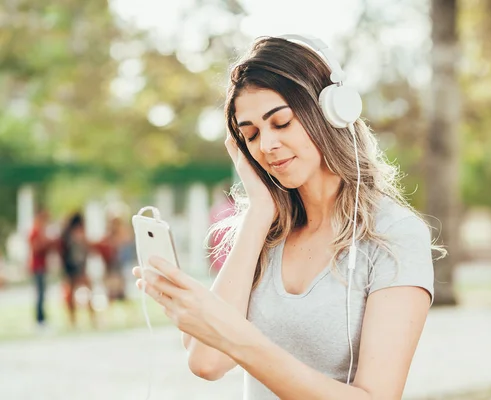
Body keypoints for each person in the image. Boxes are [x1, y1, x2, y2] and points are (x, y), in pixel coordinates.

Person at [133, 35, 442, 399]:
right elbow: (207, 362)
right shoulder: (265, 234)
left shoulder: (393, 235)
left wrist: (239, 338)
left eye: (280, 123)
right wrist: (259, 212)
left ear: (330, 113)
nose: (266, 146)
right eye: (250, 135)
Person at [58, 212, 96, 329]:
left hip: (77, 268)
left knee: (86, 293)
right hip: (71, 269)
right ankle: (74, 321)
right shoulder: (68, 238)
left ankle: (90, 319)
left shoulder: (73, 237)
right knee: (71, 297)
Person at [28, 208, 54, 330]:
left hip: (42, 266)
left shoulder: (41, 231)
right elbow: (36, 248)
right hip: (37, 267)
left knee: (43, 294)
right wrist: (46, 243)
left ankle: (42, 318)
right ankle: (40, 320)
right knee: (40, 294)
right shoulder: (35, 232)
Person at [207, 183, 236, 277]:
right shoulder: (241, 209)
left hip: (219, 252)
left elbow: (212, 234)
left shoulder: (217, 210)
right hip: (236, 252)